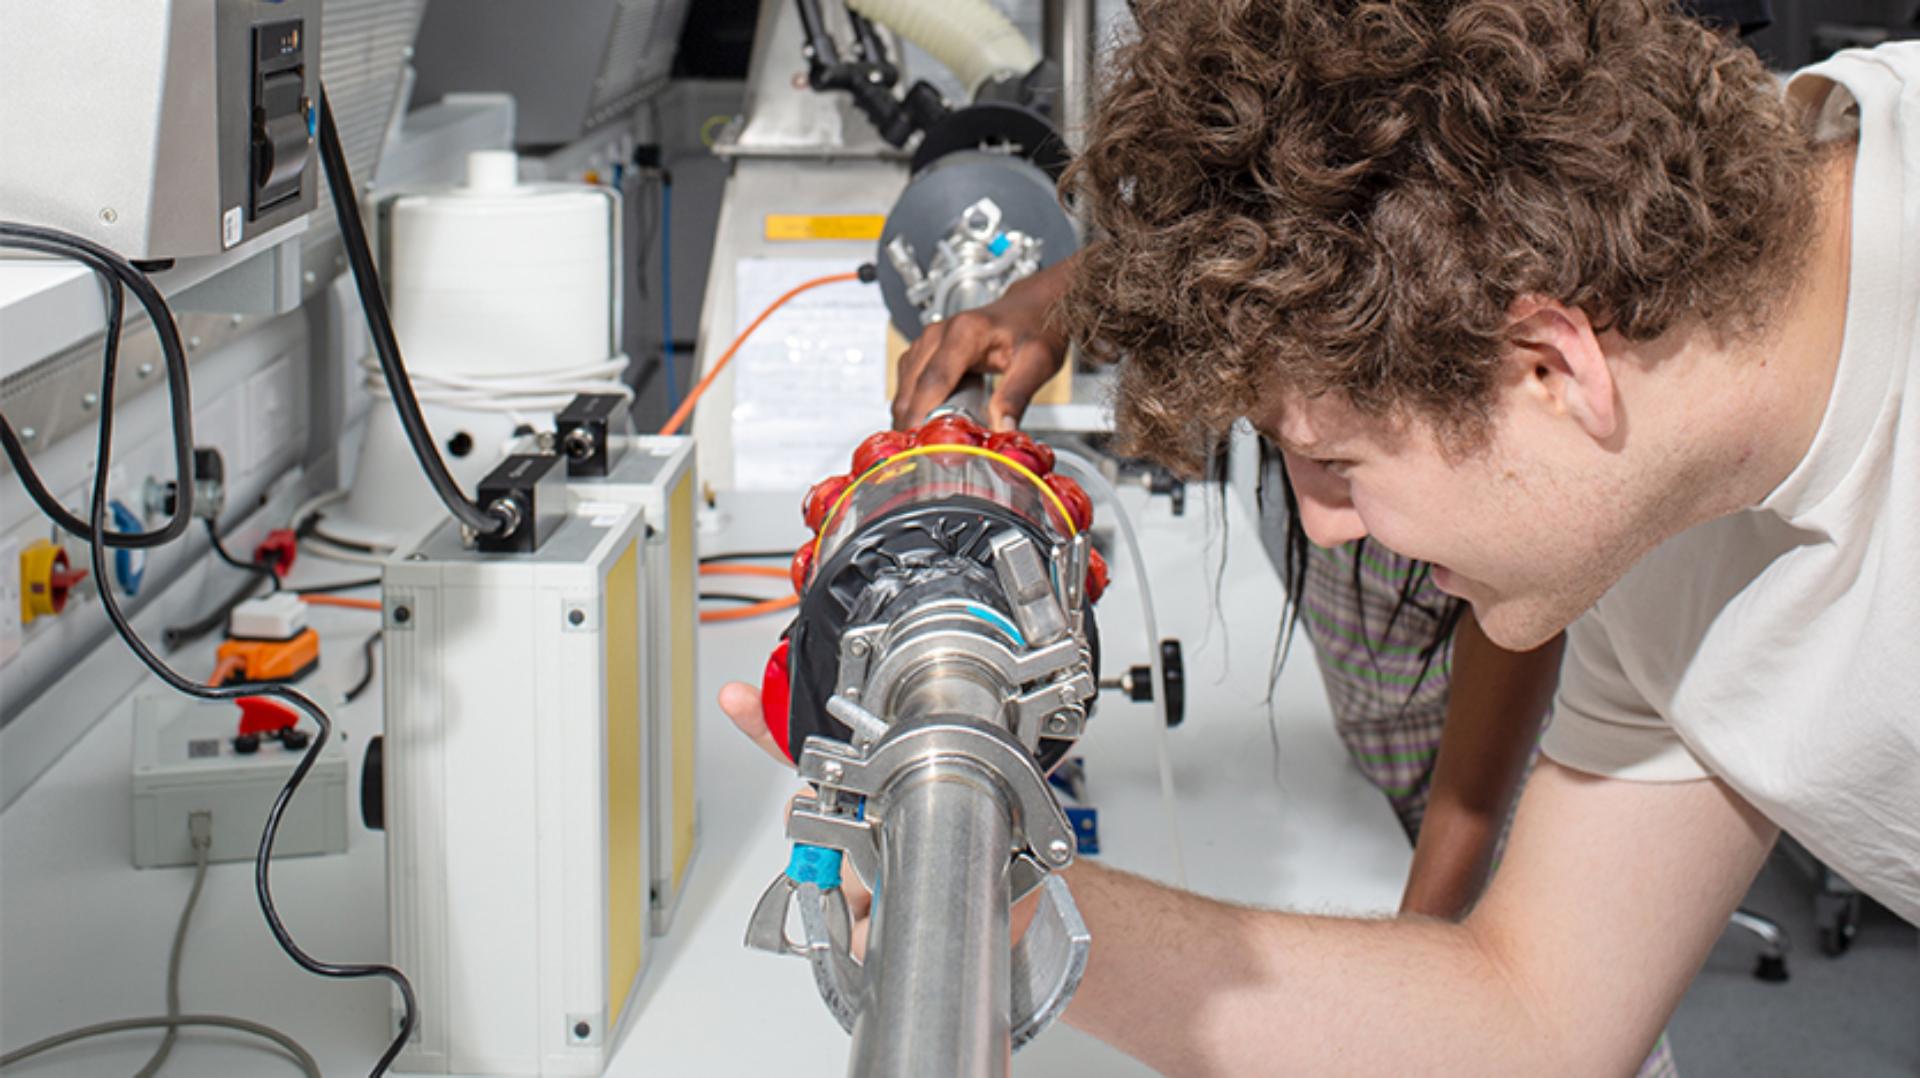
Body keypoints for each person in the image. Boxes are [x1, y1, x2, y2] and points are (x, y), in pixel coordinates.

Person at [724, 2, 1919, 1071]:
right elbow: (1533, 1021)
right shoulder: (1653, 531)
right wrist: (991, 879)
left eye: (1334, 463)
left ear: (1552, 366)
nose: (1324, 529)